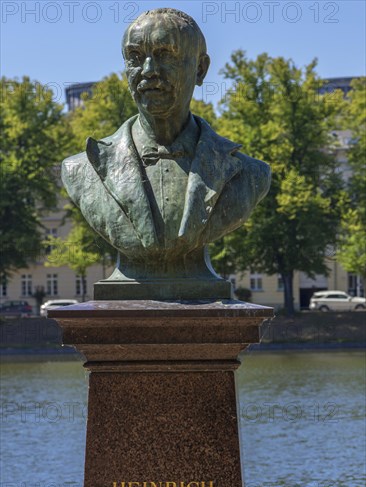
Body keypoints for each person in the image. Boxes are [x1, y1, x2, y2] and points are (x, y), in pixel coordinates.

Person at [62, 8, 271, 296]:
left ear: (200, 69)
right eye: (135, 57)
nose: (148, 70)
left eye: (165, 54)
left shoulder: (249, 175)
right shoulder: (82, 170)